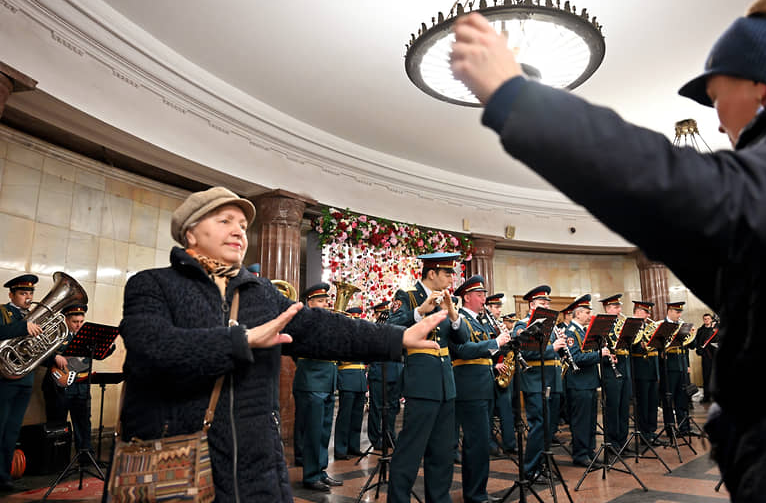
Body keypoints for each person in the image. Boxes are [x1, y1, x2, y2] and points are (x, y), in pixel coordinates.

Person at [451, 0, 766, 500]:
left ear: (760, 84)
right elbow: (736, 261)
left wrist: (517, 99)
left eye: (716, 97)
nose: (718, 125)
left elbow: (707, 203)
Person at [117, 186, 447, 503]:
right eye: (224, 221)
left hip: (258, 466)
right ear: (190, 233)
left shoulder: (259, 292)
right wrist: (241, 340)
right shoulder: (153, 284)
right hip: (178, 461)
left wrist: (398, 337)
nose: (239, 232)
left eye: (244, 226)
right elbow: (151, 347)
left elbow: (323, 329)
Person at [387, 253, 469, 503]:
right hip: (421, 382)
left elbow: (462, 340)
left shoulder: (450, 299)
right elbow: (391, 327)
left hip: (446, 384)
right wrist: (420, 312)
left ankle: (439, 498)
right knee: (410, 450)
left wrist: (453, 314)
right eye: (447, 274)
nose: (450, 279)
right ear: (431, 273)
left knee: (443, 451)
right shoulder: (407, 296)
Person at [450, 276, 509, 503]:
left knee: (483, 442)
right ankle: (474, 495)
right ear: (467, 297)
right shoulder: (458, 319)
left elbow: (483, 351)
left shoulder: (483, 321)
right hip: (469, 386)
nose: (484, 299)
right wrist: (496, 343)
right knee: (476, 443)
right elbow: (462, 349)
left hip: (484, 384)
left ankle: (479, 492)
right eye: (480, 295)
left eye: (484, 294)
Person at [42, 303, 115, 461]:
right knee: (58, 423)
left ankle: (85, 455)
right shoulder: (56, 334)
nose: (79, 325)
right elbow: (38, 355)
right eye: (75, 321)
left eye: (81, 321)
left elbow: (98, 355)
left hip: (81, 383)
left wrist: (109, 347)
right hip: (58, 386)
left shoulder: (87, 337)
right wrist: (54, 357)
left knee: (83, 421)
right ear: (66, 320)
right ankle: (57, 460)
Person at [511, 285, 566, 477]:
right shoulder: (522, 325)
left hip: (551, 379)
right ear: (531, 305)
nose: (546, 306)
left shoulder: (550, 326)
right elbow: (524, 351)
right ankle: (530, 469)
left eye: (547, 303)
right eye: (542, 303)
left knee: (549, 426)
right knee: (538, 425)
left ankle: (541, 464)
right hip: (534, 380)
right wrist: (554, 349)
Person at [290, 282, 341, 491]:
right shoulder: (302, 322)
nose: (325, 304)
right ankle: (310, 475)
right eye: (320, 301)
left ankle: (320, 470)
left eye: (325, 300)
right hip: (311, 381)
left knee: (323, 431)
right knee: (311, 432)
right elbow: (295, 351)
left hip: (327, 381)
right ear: (308, 302)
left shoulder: (330, 322)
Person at [0, 274, 41, 492]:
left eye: (30, 293)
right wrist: (22, 327)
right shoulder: (2, 312)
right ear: (11, 295)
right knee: (1, 428)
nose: (28, 297)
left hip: (25, 380)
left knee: (13, 430)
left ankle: (4, 475)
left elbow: (39, 348)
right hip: (4, 380)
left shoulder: (34, 317)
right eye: (23, 293)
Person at [564, 294, 612, 467]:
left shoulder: (585, 332)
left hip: (590, 382)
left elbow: (591, 356)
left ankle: (589, 451)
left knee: (591, 420)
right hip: (579, 384)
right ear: (577, 314)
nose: (589, 316)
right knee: (581, 422)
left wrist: (605, 356)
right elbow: (575, 358)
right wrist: (599, 355)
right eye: (586, 312)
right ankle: (580, 454)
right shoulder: (571, 333)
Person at [366, 301, 404, 450]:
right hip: (379, 373)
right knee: (376, 408)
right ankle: (375, 438)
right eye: (382, 314)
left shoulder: (395, 328)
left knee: (393, 407)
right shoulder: (372, 330)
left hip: (395, 372)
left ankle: (389, 435)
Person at [333, 307, 368, 460]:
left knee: (357, 416)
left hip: (360, 379)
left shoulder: (361, 339)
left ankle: (354, 446)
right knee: (345, 416)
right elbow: (341, 358)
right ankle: (341, 449)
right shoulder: (342, 338)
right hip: (347, 378)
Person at [600, 294, 632, 452]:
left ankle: (623, 440)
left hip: (624, 367)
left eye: (619, 306)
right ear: (607, 308)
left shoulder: (622, 324)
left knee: (624, 406)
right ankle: (612, 442)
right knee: (613, 407)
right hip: (610, 370)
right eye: (615, 307)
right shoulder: (602, 326)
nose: (619, 310)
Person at [486, 293, 517, 456]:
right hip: (491, 369)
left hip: (504, 370)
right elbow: (485, 347)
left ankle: (509, 443)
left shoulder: (499, 325)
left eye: (499, 307)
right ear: (488, 308)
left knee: (506, 409)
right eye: (496, 307)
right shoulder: (485, 324)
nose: (499, 311)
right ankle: (491, 443)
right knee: (489, 411)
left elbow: (504, 347)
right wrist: (494, 364)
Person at [658, 302, 690, 439]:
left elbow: (689, 346)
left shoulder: (681, 325)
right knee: (668, 399)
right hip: (668, 368)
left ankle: (685, 427)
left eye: (680, 312)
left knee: (682, 398)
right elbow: (658, 345)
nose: (679, 315)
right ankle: (670, 428)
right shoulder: (662, 326)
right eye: (677, 312)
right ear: (670, 311)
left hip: (681, 366)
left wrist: (690, 334)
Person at [630, 300, 659, 443]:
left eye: (648, 312)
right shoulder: (631, 326)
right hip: (640, 368)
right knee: (643, 403)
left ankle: (651, 431)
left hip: (652, 368)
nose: (648, 315)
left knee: (653, 402)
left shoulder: (649, 326)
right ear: (638, 311)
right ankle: (643, 434)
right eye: (646, 312)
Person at [695, 313, 718, 403]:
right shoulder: (700, 330)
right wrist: (699, 350)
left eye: (708, 319)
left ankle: (716, 396)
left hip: (715, 356)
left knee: (716, 376)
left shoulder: (715, 330)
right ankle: (706, 396)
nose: (706, 320)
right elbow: (697, 342)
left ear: (711, 319)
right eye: (705, 319)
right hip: (706, 357)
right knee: (706, 376)